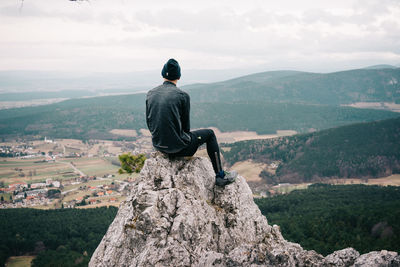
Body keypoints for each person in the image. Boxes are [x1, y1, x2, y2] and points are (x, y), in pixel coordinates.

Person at [146, 58, 237, 187]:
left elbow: (149, 122)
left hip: (159, 146)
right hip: (179, 149)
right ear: (178, 76)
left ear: (163, 74)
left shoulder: (150, 93)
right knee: (210, 134)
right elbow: (185, 128)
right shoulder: (182, 96)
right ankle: (220, 176)